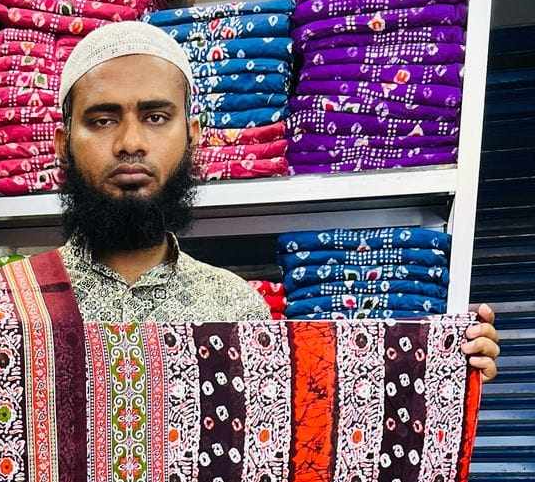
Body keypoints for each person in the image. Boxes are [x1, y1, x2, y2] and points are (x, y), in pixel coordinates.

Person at [52, 21, 501, 380]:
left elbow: (304, 432)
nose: (131, 142)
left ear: (192, 138)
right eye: (103, 120)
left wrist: (445, 367)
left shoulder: (235, 308)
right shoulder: (13, 306)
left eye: (155, 117)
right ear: (62, 145)